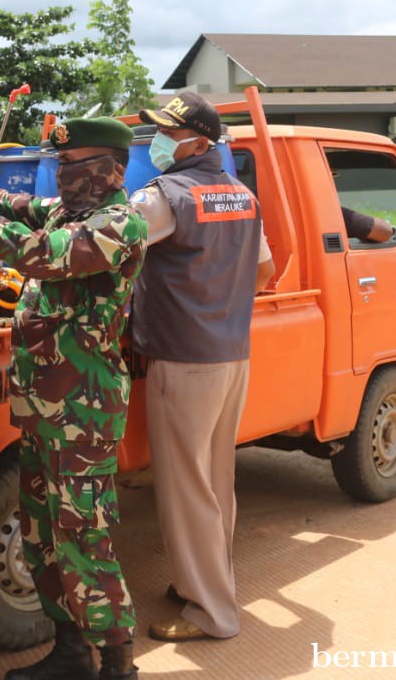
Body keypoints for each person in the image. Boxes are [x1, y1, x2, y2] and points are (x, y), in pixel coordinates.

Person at [0, 118, 148, 680]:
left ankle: (116, 664)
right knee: (40, 535)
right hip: (41, 408)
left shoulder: (119, 224)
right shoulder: (69, 211)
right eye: (58, 166)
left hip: (83, 412)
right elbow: (21, 208)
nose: (62, 176)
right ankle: (69, 651)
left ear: (112, 168)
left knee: (85, 536)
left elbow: (38, 251)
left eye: (74, 165)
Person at [126, 92, 275, 643]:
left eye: (168, 133)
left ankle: (210, 612)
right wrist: (218, 304)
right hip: (230, 355)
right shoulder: (241, 195)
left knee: (186, 486)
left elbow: (107, 242)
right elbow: (266, 270)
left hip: (184, 359)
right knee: (215, 481)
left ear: (200, 143)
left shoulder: (167, 196)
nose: (157, 143)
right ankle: (205, 584)